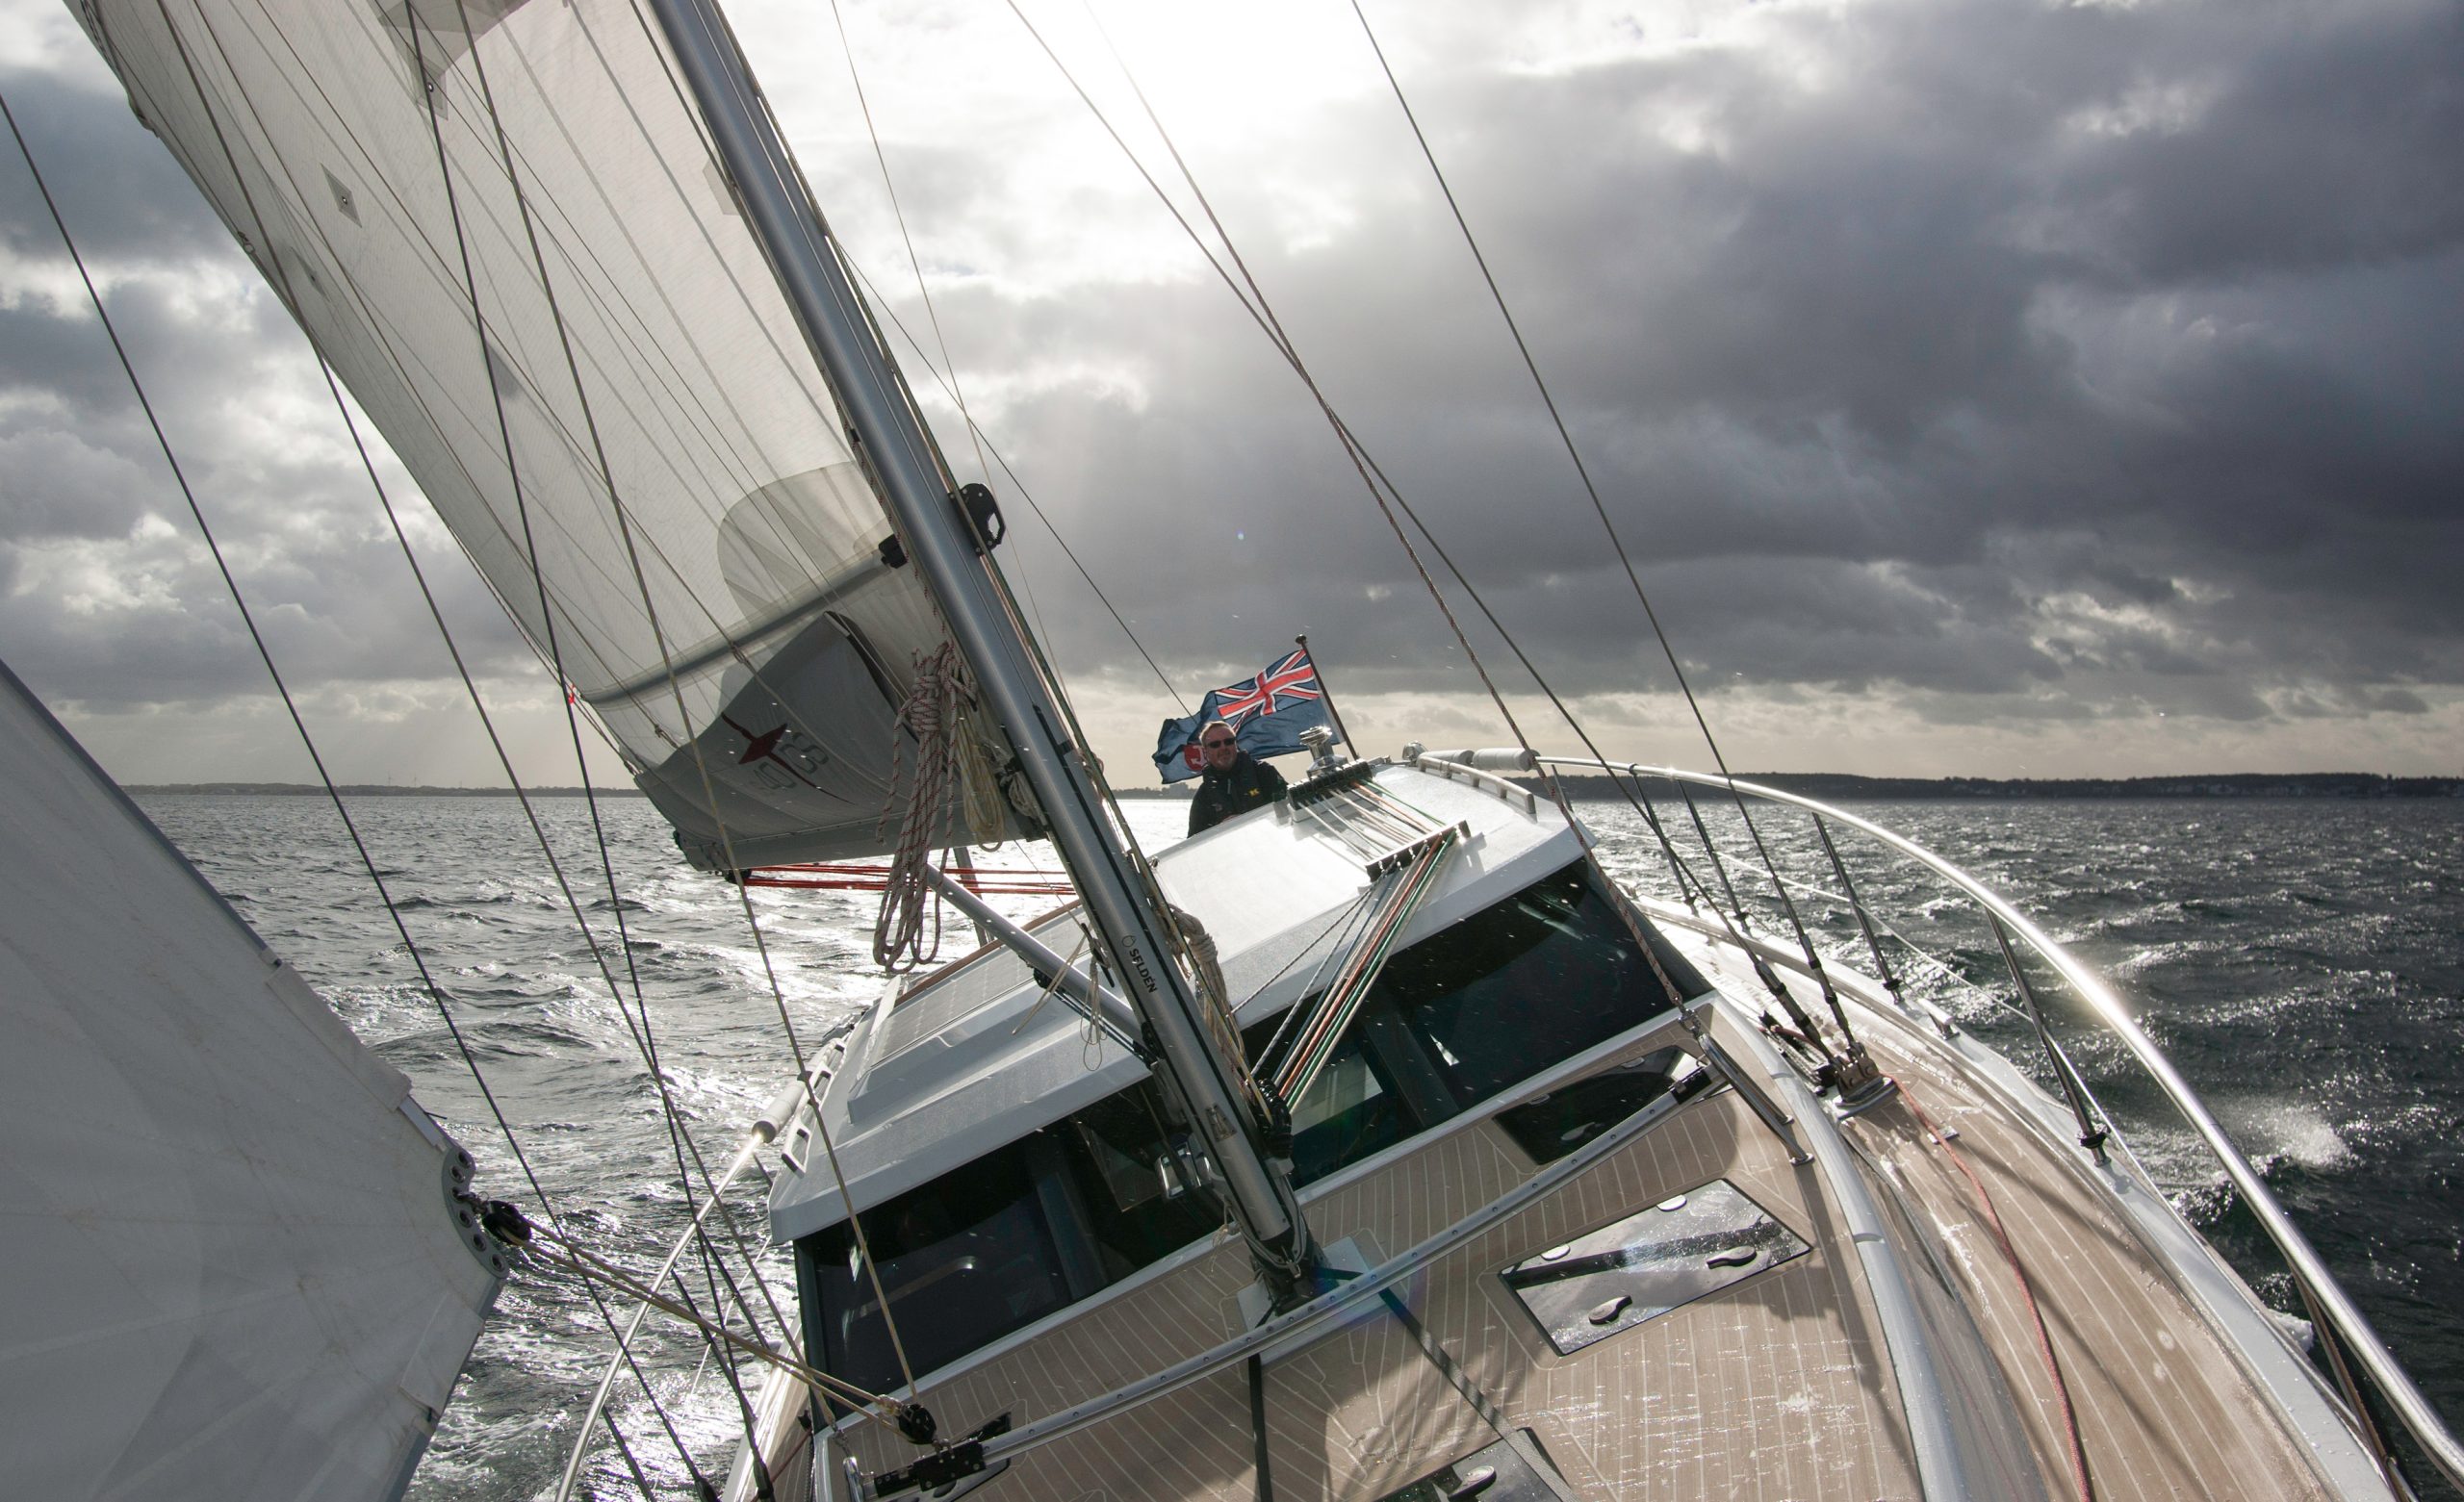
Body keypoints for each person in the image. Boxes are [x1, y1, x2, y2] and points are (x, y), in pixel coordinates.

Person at [1187, 720, 1288, 835]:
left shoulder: (1263, 772)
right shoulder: (1203, 796)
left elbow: (1290, 806)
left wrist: (1249, 821)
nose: (1223, 747)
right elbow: (1195, 840)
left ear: (1235, 744)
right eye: (1215, 744)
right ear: (1206, 751)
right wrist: (1221, 829)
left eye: (1228, 742)